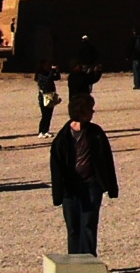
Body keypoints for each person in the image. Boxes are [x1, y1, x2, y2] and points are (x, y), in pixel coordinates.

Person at [49, 94, 117, 255]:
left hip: (92, 185)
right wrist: (58, 194)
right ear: (81, 112)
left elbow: (107, 160)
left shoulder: (96, 133)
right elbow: (56, 168)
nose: (92, 112)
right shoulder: (62, 138)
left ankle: (89, 261)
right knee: (73, 227)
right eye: (89, 109)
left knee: (88, 225)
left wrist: (111, 187)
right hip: (70, 188)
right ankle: (74, 261)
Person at [34, 64, 61, 137]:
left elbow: (57, 77)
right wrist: (52, 71)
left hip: (50, 95)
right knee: (45, 115)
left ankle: (46, 130)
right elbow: (48, 79)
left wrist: (57, 71)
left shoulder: (48, 73)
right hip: (44, 97)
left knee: (49, 114)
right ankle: (41, 131)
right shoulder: (40, 75)